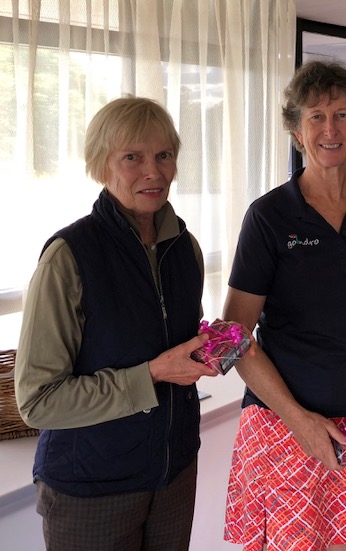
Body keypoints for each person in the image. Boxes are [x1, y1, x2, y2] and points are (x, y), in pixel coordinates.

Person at [14, 96, 220, 551]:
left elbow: (173, 344)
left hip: (173, 475)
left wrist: (208, 349)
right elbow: (38, 401)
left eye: (164, 155)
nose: (153, 172)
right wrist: (152, 375)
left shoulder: (185, 249)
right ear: (101, 165)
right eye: (132, 157)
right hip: (92, 489)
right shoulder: (68, 257)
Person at [222, 59, 346, 550]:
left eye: (342, 115)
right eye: (316, 117)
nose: (331, 129)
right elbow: (234, 336)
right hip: (283, 422)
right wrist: (299, 421)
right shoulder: (268, 216)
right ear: (297, 132)